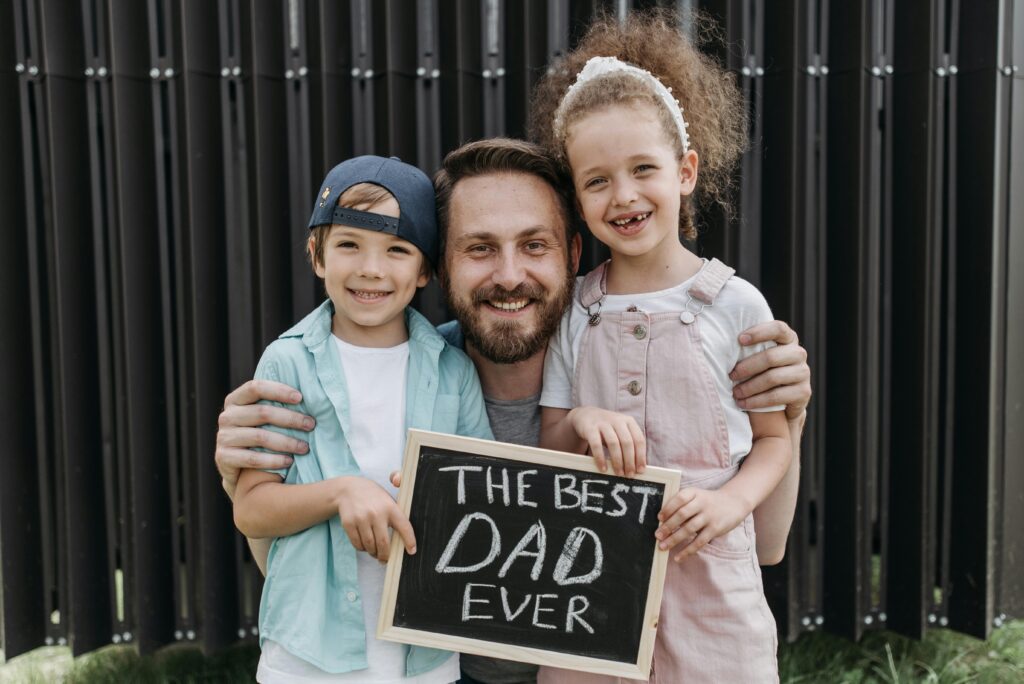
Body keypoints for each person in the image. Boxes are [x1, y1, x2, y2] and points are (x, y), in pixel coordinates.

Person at [216, 141, 812, 684]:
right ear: (440, 267)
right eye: (479, 249)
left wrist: (788, 420)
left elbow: (766, 547)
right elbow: (292, 565)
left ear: (573, 253)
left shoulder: (636, 370)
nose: (508, 276)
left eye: (534, 245)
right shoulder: (412, 371)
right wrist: (239, 478)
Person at [530, 10, 789, 683]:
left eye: (643, 168)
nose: (623, 195)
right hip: (592, 579)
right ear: (576, 196)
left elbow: (774, 440)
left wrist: (732, 503)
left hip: (710, 587)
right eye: (596, 180)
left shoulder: (735, 305)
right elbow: (551, 434)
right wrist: (585, 421)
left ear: (686, 171)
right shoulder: (574, 312)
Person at [231, 155, 493, 683]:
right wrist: (340, 492)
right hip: (309, 655)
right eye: (349, 244)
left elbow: (482, 499)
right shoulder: (287, 364)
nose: (372, 269)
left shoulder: (452, 371)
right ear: (317, 254)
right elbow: (252, 510)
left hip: (423, 656)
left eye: (397, 250)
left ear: (424, 271)